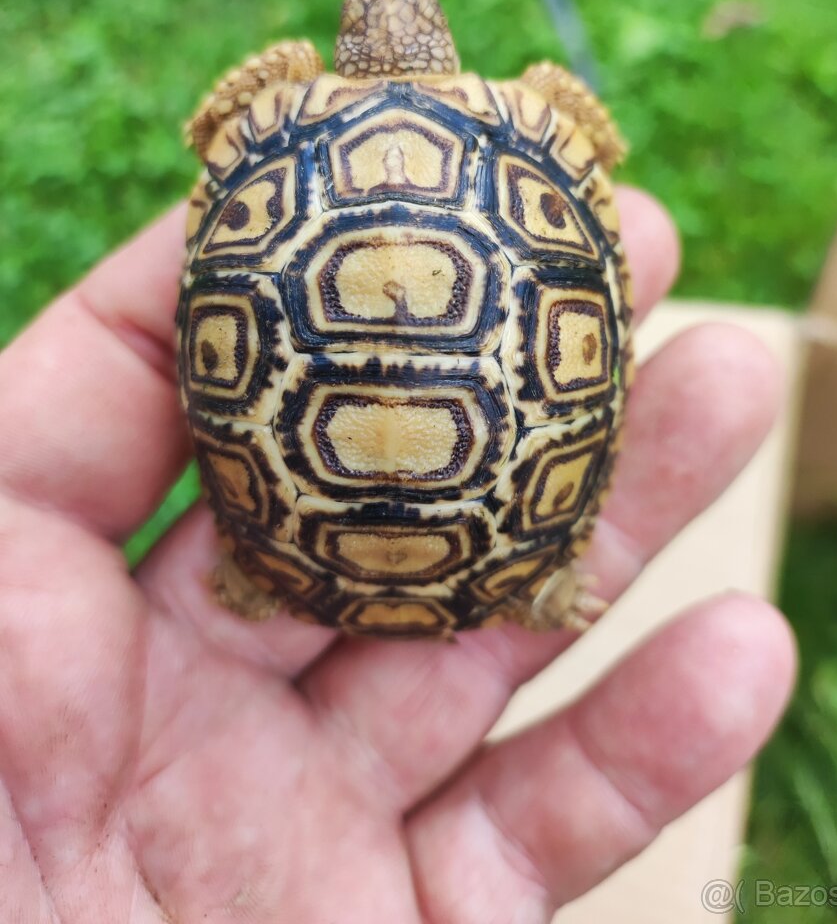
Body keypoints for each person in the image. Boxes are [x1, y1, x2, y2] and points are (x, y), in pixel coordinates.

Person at [0, 188, 794, 922]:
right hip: (485, 549)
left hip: (298, 549)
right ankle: (533, 579)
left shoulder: (288, 144)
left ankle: (277, 573)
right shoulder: (517, 131)